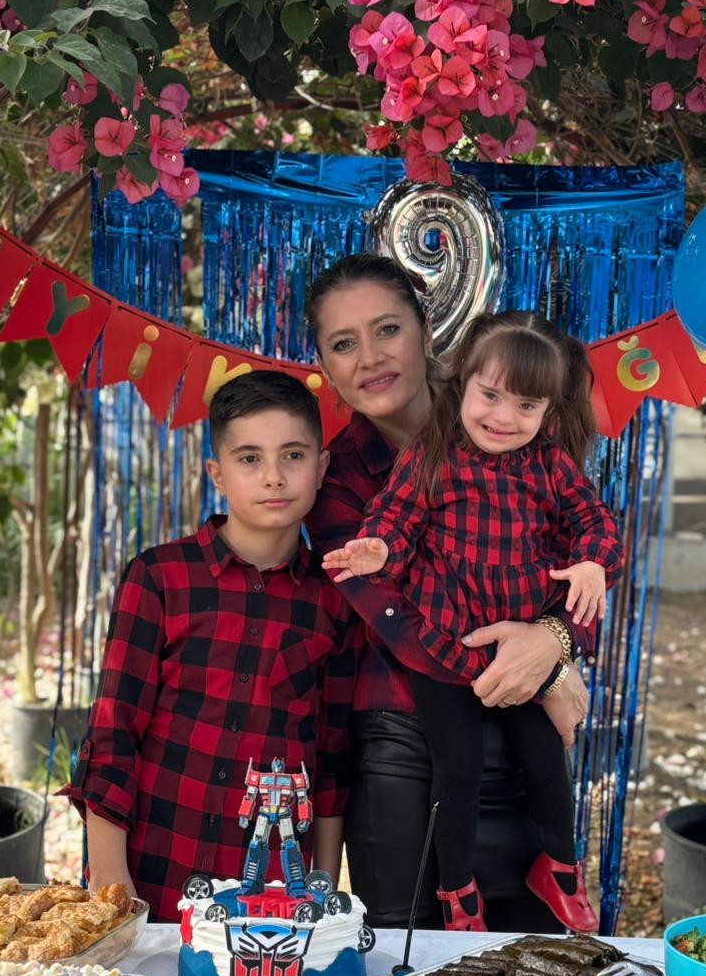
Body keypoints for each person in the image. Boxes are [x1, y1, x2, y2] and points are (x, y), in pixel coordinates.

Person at [304, 254, 601, 934]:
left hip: (524, 742)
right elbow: (393, 618)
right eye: (344, 344)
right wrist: (533, 671)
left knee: (533, 958)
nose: (370, 357)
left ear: (428, 331)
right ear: (324, 364)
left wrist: (556, 647)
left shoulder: (512, 411)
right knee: (415, 960)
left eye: (388, 330)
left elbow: (580, 558)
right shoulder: (336, 479)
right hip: (407, 748)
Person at [61, 371, 358, 921]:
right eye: (250, 459)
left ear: (321, 467)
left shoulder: (335, 602)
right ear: (217, 474)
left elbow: (332, 760)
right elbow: (113, 734)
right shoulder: (159, 578)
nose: (273, 476)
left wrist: (319, 885)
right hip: (151, 873)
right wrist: (110, 878)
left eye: (293, 456)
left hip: (269, 893)